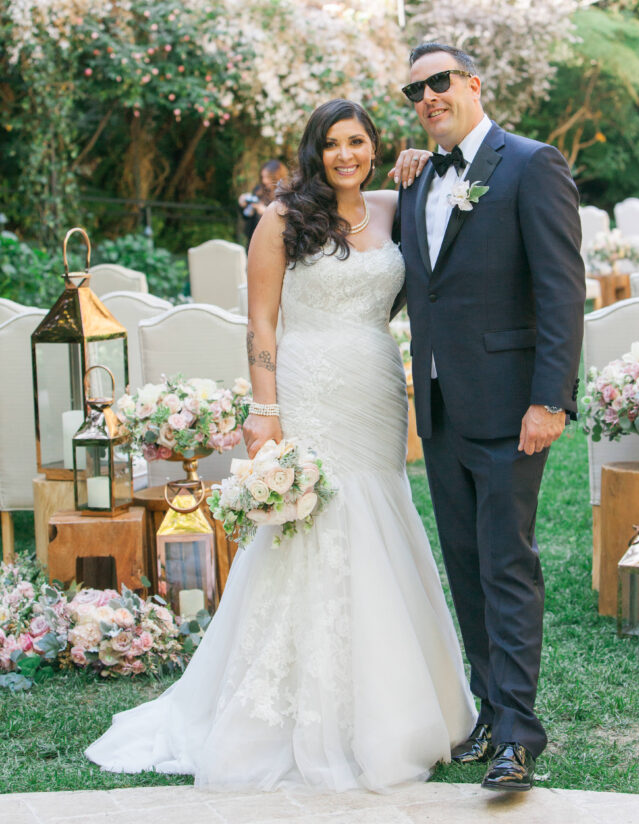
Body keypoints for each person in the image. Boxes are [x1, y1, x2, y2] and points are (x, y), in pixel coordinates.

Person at [85, 98, 477, 791]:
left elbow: (449, 191)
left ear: (374, 147)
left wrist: (421, 161)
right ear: (312, 152)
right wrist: (264, 409)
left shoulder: (393, 204)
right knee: (313, 525)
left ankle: (405, 702)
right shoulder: (282, 218)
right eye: (331, 144)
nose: (345, 155)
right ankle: (291, 712)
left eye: (357, 141)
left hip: (376, 387)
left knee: (379, 511)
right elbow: (261, 323)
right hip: (307, 386)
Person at [392, 43, 585, 792]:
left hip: (511, 408)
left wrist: (548, 399)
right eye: (415, 90)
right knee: (467, 569)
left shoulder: (530, 164)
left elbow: (561, 289)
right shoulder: (416, 178)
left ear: (473, 83)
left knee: (507, 566)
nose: (428, 96)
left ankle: (517, 735)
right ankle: (487, 711)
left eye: (439, 81)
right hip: (439, 408)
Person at [238, 159, 288, 247]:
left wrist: (265, 211)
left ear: (276, 176)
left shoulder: (285, 194)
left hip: (274, 240)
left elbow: (286, 220)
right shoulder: (259, 190)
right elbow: (246, 216)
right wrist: (243, 205)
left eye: (268, 177)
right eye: (263, 177)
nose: (264, 181)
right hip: (254, 237)